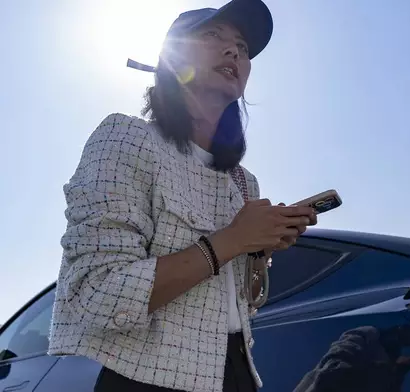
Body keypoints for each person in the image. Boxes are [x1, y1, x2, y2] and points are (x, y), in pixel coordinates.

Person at [47, 0, 317, 391]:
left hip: (238, 373)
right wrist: (233, 239)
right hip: (146, 378)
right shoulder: (125, 137)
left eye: (242, 47)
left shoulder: (244, 182)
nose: (233, 51)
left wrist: (260, 249)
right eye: (213, 35)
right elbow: (97, 293)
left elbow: (239, 303)